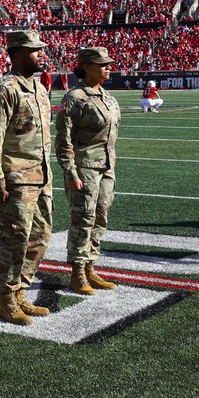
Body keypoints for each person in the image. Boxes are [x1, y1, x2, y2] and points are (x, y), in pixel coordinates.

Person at [0, 30, 54, 325]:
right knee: (15, 240)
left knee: (40, 236)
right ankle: (7, 299)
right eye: (34, 50)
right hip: (16, 178)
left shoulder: (38, 89)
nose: (40, 54)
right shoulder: (4, 89)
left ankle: (20, 289)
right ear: (16, 54)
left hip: (41, 176)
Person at [56, 47, 121, 296]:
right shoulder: (74, 98)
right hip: (84, 168)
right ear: (86, 67)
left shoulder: (107, 97)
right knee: (83, 219)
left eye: (108, 63)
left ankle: (90, 265)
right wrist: (70, 172)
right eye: (102, 64)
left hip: (105, 167)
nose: (108, 67)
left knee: (100, 217)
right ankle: (77, 272)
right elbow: (64, 139)